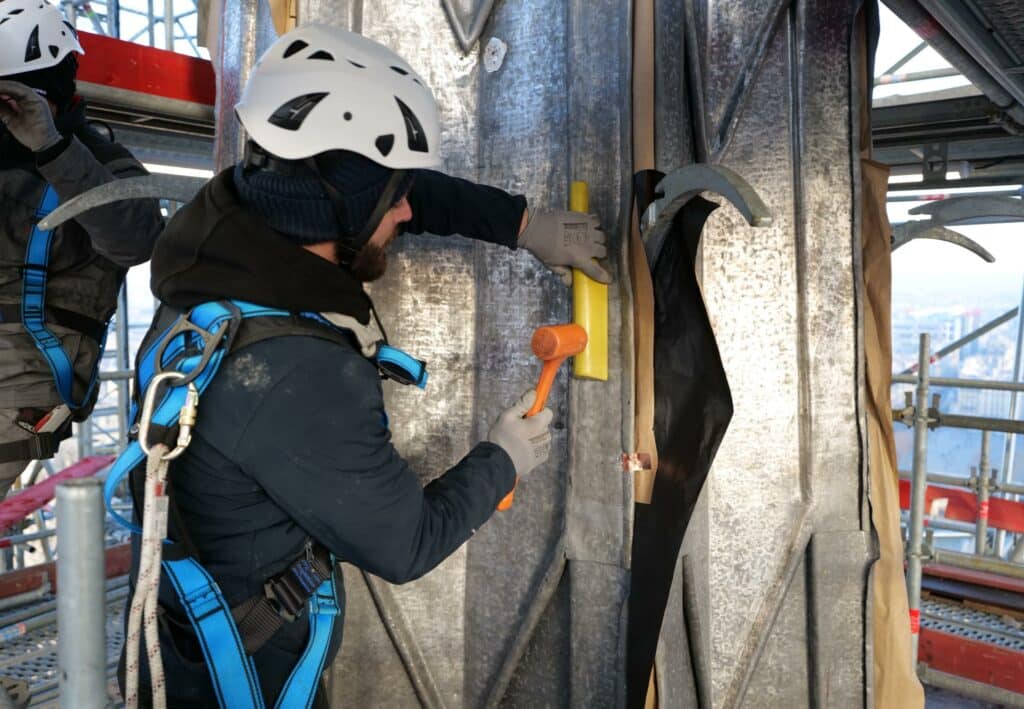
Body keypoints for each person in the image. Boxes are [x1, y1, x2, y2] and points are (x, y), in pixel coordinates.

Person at [118, 23, 611, 707]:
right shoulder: (298, 377)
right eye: (393, 199)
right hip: (242, 682)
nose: (407, 211)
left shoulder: (218, 252)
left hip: (182, 638)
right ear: (336, 211)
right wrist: (503, 458)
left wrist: (522, 224)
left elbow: (372, 192)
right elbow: (406, 544)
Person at [0, 0, 163, 494]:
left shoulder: (101, 163)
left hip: (24, 382)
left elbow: (135, 240)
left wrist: (53, 150)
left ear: (48, 95)